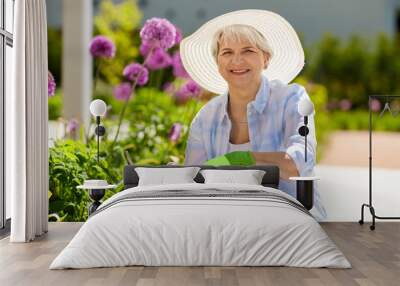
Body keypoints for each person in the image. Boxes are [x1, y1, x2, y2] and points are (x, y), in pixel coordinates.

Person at [180, 10, 326, 220]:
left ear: (265, 59)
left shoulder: (292, 99)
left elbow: (298, 165)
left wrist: (240, 159)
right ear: (218, 64)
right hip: (228, 223)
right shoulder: (205, 119)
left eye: (248, 51)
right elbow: (192, 183)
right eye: (227, 52)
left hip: (291, 218)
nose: (237, 60)